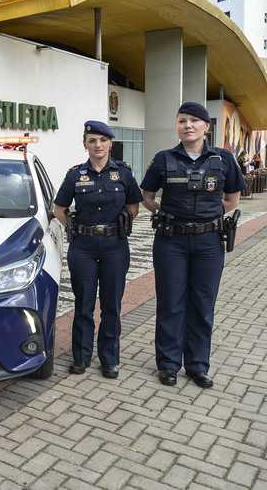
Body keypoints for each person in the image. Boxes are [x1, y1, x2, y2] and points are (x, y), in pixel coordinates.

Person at [140, 102, 245, 389]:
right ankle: (169, 364)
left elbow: (232, 200)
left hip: (209, 242)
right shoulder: (163, 159)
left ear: (206, 127)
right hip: (171, 241)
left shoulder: (224, 160)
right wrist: (169, 216)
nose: (188, 125)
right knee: (171, 303)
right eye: (182, 120)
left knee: (202, 305)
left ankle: (198, 366)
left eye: (194, 121)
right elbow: (147, 197)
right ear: (177, 126)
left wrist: (204, 221)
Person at [54, 121, 142, 379]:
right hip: (83, 247)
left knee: (111, 304)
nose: (98, 145)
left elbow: (134, 205)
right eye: (92, 140)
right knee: (83, 304)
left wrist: (125, 219)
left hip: (115, 246)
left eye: (103, 140)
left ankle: (109, 359)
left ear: (111, 143)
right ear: (85, 144)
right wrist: (74, 227)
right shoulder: (75, 175)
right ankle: (80, 357)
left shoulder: (124, 173)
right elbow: (59, 209)